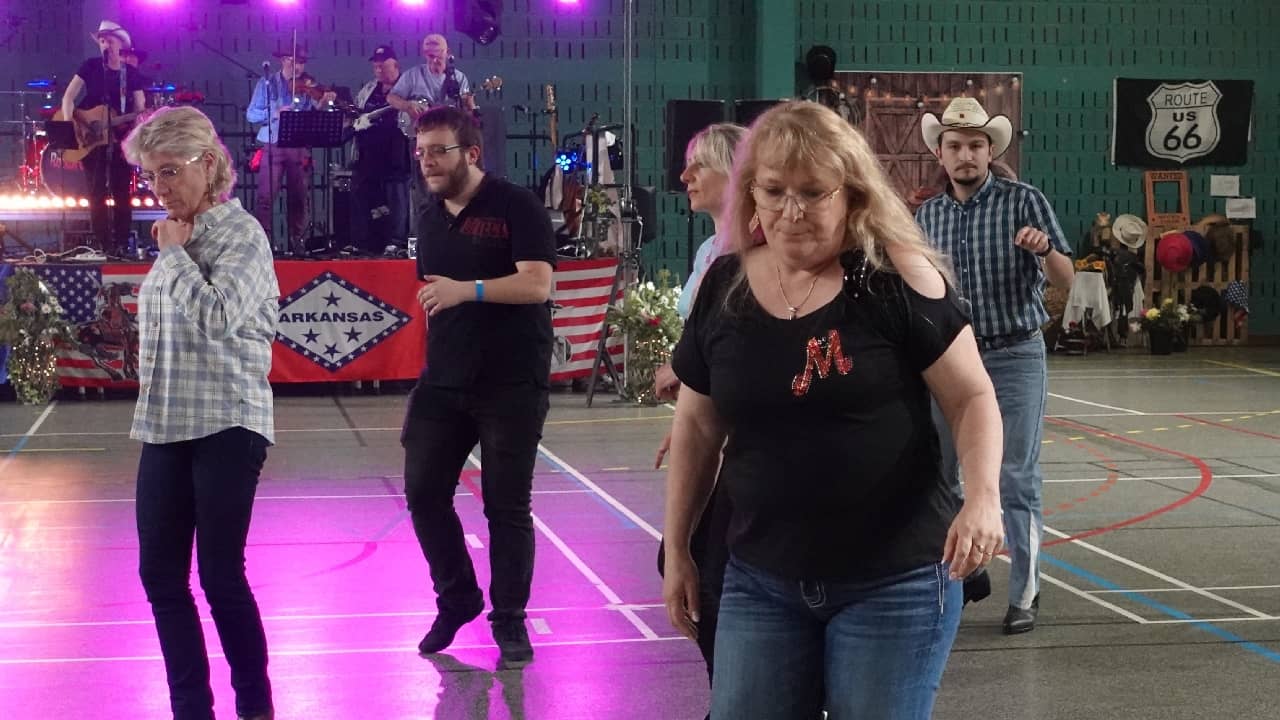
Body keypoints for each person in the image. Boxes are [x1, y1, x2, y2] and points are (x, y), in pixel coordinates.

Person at [662, 101, 1006, 719]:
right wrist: (679, 546)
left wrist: (982, 497)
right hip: (760, 578)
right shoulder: (725, 284)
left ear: (851, 193)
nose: (791, 213)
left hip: (893, 581)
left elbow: (972, 396)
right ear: (751, 195)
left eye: (813, 194)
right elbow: (696, 425)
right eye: (773, 192)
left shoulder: (896, 278)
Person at [122, 105, 281, 720]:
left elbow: (217, 317)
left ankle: (255, 707)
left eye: (168, 173)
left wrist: (174, 256)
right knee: (160, 577)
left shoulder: (242, 237)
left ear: (207, 165)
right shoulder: (175, 237)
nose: (159, 190)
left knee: (219, 576)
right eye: (151, 177)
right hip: (163, 426)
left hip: (228, 422)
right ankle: (191, 708)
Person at [401, 106, 556, 669]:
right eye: (421, 153)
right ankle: (458, 596)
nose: (428, 162)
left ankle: (509, 617)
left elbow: (538, 284)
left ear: (471, 152)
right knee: (423, 492)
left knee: (505, 505)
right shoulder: (428, 216)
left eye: (438, 151)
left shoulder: (516, 205)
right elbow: (433, 295)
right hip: (444, 379)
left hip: (511, 380)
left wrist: (469, 291)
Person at [915, 97, 1075, 635]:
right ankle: (962, 576)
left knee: (1016, 478)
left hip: (1015, 355)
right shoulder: (927, 215)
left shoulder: (1024, 201)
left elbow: (1065, 278)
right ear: (941, 153)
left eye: (975, 145)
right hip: (950, 360)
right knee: (939, 472)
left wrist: (1045, 248)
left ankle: (1024, 593)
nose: (965, 155)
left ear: (990, 152)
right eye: (955, 145)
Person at [651, 123, 744, 717]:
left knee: (706, 567)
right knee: (679, 557)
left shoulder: (746, 257)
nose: (684, 177)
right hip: (709, 423)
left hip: (745, 439)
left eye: (698, 166)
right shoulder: (709, 252)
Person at [58, 20, 147, 257]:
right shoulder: (90, 66)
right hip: (90, 139)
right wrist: (71, 127)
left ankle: (119, 244)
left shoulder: (132, 74)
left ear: (120, 43)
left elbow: (140, 108)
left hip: (120, 139)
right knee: (95, 192)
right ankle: (103, 243)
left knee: (121, 193)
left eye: (109, 38)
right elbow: (68, 98)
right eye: (101, 39)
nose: (104, 43)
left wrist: (136, 123)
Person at [387, 33, 477, 252]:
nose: (434, 61)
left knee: (451, 187)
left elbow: (467, 111)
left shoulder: (458, 79)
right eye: (429, 56)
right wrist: (408, 105)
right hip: (420, 141)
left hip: (448, 145)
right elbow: (392, 97)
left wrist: (470, 105)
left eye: (438, 56)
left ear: (448, 54)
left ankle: (450, 237)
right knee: (422, 189)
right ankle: (422, 238)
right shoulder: (413, 75)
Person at [245, 48, 333, 256]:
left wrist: (321, 104)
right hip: (272, 144)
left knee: (299, 196)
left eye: (302, 63)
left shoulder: (307, 85)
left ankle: (298, 242)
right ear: (283, 61)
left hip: (297, 144)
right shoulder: (267, 83)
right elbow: (251, 114)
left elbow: (314, 112)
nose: (299, 67)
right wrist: (275, 113)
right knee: (265, 197)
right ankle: (263, 244)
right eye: (294, 62)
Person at [349, 45, 412, 255]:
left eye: (383, 66)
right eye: (376, 66)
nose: (379, 70)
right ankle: (361, 241)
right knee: (361, 193)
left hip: (396, 149)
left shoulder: (408, 88)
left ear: (396, 65)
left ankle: (397, 240)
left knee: (397, 197)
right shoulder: (368, 89)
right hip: (367, 151)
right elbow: (356, 113)